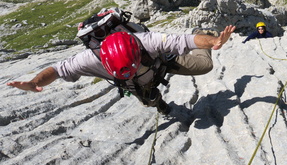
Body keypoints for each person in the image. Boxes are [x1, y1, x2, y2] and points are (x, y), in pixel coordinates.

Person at [7, 25, 236, 115]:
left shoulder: (149, 41)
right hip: (135, 82)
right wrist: (34, 82)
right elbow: (57, 69)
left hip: (160, 64)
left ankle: (201, 26)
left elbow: (186, 40)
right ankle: (159, 103)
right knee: (148, 98)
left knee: (205, 65)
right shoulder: (89, 59)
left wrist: (214, 40)